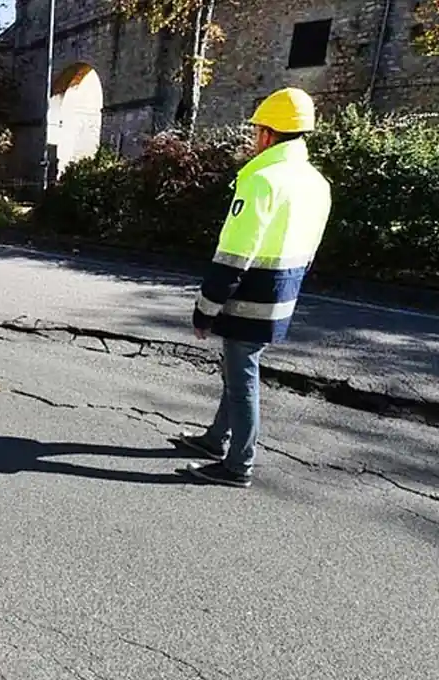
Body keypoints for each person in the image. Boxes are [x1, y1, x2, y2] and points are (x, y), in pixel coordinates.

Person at [174, 88, 333, 488]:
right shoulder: (317, 183)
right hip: (284, 292)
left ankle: (238, 464)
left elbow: (234, 254)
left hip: (250, 296)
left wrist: (205, 309)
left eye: (257, 130)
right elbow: (311, 249)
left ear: (267, 134)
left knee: (242, 376)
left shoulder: (262, 180)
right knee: (236, 369)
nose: (253, 138)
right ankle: (214, 440)